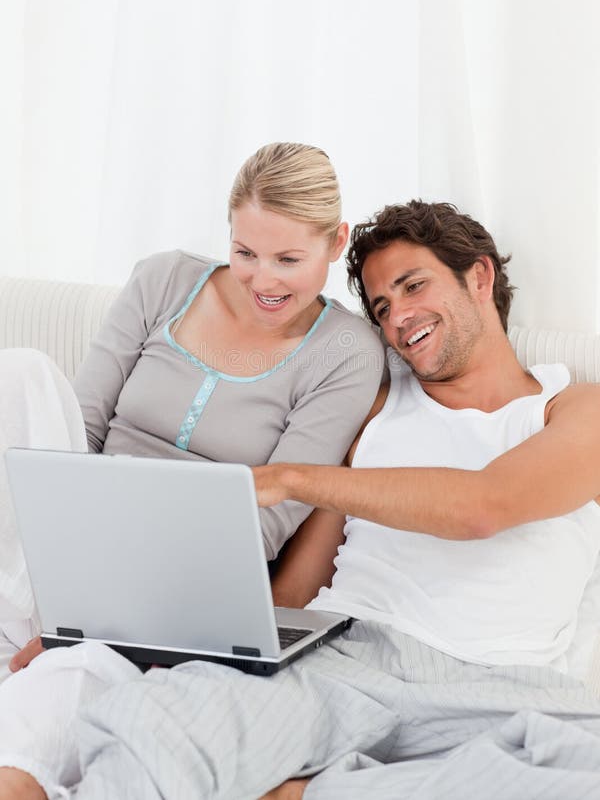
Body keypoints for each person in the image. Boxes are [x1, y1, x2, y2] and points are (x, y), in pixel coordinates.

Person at [2, 200, 600, 800]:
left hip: (499, 687)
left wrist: (291, 477)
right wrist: (138, 644)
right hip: (344, 658)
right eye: (383, 307)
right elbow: (292, 596)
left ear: (480, 276)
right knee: (156, 719)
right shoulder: (374, 411)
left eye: (414, 286)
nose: (399, 319)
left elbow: (483, 507)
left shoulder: (572, 409)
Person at [0, 142, 385, 682]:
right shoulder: (164, 280)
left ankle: (69, 628)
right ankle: (44, 608)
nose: (264, 281)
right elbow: (79, 430)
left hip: (182, 583)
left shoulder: (346, 352)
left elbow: (268, 523)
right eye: (245, 252)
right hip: (72, 535)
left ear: (336, 241)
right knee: (21, 375)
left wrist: (110, 605)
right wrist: (72, 545)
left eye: (289, 260)